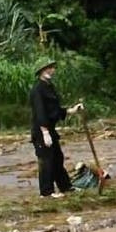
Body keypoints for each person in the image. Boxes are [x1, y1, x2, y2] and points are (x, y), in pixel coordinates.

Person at [28, 62, 79, 198]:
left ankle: (66, 187)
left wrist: (71, 111)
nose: (52, 70)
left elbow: (54, 110)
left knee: (57, 158)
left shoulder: (50, 87)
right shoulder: (37, 90)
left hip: (51, 129)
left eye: (52, 68)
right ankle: (46, 192)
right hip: (41, 130)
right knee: (46, 161)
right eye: (48, 68)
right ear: (41, 71)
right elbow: (40, 113)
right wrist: (45, 132)